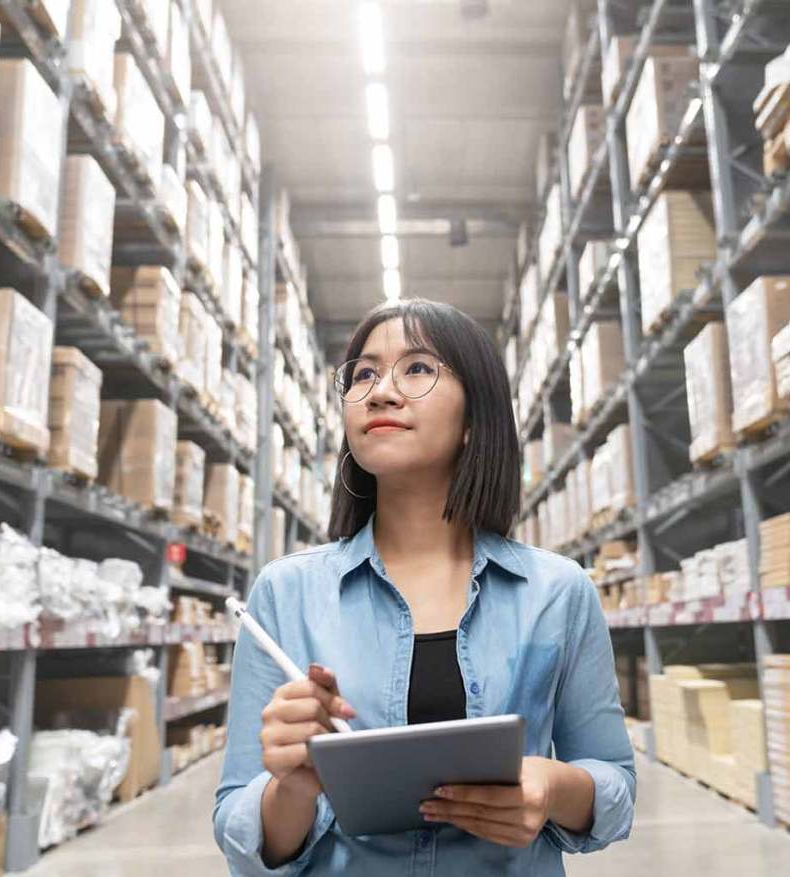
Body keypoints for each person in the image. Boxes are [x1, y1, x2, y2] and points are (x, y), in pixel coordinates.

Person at [214, 298, 635, 875]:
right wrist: (294, 786)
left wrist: (554, 787)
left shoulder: (557, 592)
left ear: (473, 419)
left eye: (417, 368)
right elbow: (240, 828)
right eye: (363, 374)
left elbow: (615, 784)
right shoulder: (285, 594)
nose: (381, 392)